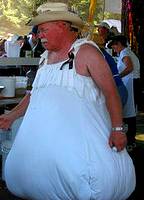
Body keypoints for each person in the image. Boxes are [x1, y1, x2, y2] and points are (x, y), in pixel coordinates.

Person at [0, 2, 135, 200]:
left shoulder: (86, 53)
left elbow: (111, 93)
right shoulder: (45, 58)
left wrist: (117, 129)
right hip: (44, 147)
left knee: (90, 187)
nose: (39, 35)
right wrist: (11, 116)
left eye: (44, 30)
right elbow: (33, 94)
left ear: (63, 25)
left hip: (87, 147)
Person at [107, 35, 139, 152]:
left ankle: (131, 140)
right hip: (130, 83)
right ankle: (131, 139)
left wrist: (117, 77)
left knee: (129, 112)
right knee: (130, 111)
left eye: (114, 45)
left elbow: (129, 68)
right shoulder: (126, 52)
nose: (114, 48)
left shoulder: (125, 53)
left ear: (119, 44)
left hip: (131, 83)